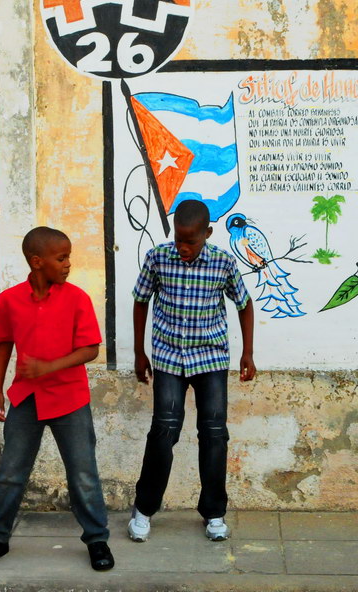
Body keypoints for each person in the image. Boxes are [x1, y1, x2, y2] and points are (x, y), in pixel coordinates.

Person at [0, 227, 114, 571]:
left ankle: (97, 539)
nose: (68, 264)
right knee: (11, 472)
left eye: (68, 257)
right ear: (37, 262)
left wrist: (49, 366)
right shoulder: (10, 300)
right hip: (26, 397)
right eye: (61, 258)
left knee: (82, 473)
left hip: (70, 398)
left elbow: (90, 349)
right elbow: (2, 342)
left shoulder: (77, 298)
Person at [127, 200, 255, 543]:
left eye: (191, 242)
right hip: (169, 358)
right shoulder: (158, 257)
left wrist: (248, 353)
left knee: (214, 434)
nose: (183, 248)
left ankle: (214, 513)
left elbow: (244, 304)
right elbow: (140, 301)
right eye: (179, 240)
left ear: (207, 234)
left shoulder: (223, 263)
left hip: (210, 359)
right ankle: (144, 508)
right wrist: (139, 352)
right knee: (163, 432)